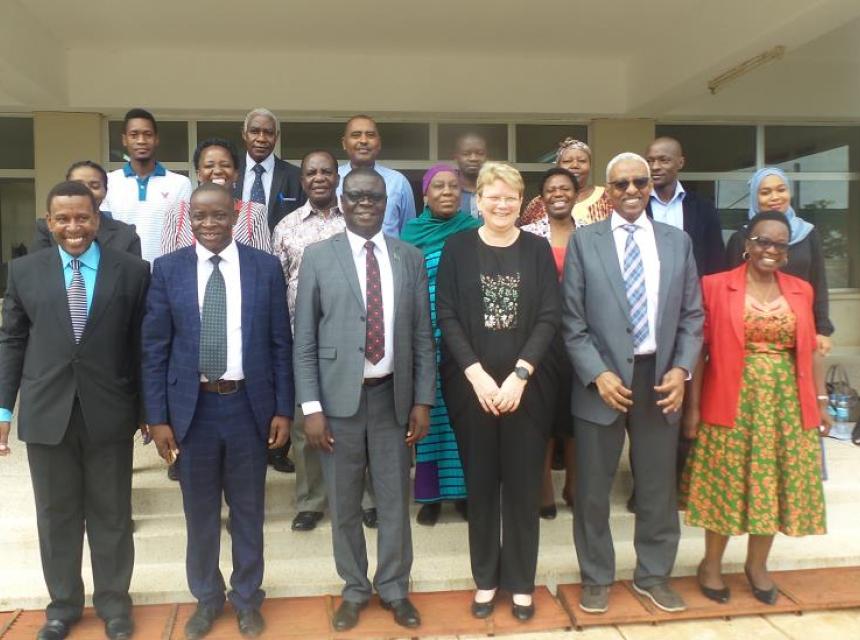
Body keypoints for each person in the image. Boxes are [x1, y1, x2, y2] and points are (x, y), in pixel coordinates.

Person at [142, 183, 293, 640]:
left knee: (248, 510)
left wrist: (283, 409)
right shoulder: (167, 270)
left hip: (248, 407)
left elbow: (279, 345)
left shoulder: (264, 268)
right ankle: (207, 598)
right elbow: (154, 348)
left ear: (235, 216)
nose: (210, 225)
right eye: (200, 217)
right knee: (200, 513)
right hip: (192, 412)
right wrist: (158, 418)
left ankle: (247, 598)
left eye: (219, 216)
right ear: (189, 220)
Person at [0, 181, 150, 640]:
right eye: (62, 219)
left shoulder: (132, 271)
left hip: (109, 411)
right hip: (48, 414)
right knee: (56, 515)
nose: (73, 227)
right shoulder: (24, 272)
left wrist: (148, 410)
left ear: (97, 219)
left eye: (82, 217)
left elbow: (141, 346)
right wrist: (3, 413)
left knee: (111, 514)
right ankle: (63, 606)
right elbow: (11, 341)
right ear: (49, 222)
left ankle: (114, 605)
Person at [293, 167, 435, 632]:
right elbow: (305, 340)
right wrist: (311, 407)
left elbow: (420, 335)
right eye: (355, 196)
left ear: (387, 201)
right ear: (342, 199)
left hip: (393, 399)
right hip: (338, 405)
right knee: (346, 503)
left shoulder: (408, 256)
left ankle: (394, 587)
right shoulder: (318, 256)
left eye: (374, 196)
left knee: (395, 502)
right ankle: (354, 588)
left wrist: (422, 400)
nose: (365, 204)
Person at [561, 152, 703, 615]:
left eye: (638, 182)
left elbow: (692, 316)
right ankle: (597, 576)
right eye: (620, 184)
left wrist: (682, 370)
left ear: (649, 186)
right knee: (593, 489)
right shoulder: (586, 242)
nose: (630, 191)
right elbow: (572, 319)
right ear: (608, 190)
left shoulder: (677, 241)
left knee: (659, 487)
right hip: (599, 379)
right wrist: (597, 373)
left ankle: (654, 574)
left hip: (659, 378)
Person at [682, 211, 830, 606]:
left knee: (773, 486)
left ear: (786, 251)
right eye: (763, 241)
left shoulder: (801, 290)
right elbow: (699, 351)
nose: (771, 250)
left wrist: (820, 401)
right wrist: (692, 409)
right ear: (747, 243)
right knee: (725, 485)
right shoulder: (714, 286)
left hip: (786, 406)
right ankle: (711, 565)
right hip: (730, 399)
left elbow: (810, 348)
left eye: (780, 244)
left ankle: (757, 566)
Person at [436, 162, 560, 622]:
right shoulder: (457, 248)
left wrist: (519, 375)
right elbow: (446, 314)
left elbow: (550, 314)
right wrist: (478, 376)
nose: (502, 204)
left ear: (521, 201)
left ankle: (521, 584)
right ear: (479, 200)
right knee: (483, 487)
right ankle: (486, 579)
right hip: (473, 391)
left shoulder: (537, 249)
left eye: (511, 197)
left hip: (528, 390)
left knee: (524, 489)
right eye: (494, 196)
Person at [401, 164, 481, 526]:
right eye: (439, 187)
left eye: (454, 186)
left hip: (468, 341)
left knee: (462, 419)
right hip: (425, 339)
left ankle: (464, 494)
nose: (447, 192)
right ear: (426, 194)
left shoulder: (475, 231)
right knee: (428, 418)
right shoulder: (411, 233)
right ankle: (430, 497)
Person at [271, 150, 346, 532]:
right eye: (311, 172)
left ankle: (363, 498)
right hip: (302, 340)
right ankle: (311, 501)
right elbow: (278, 284)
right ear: (302, 181)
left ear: (337, 177)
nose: (319, 177)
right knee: (305, 426)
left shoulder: (356, 222)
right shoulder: (286, 228)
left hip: (351, 341)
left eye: (326, 171)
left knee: (353, 421)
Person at [726, 167, 834, 355]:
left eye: (781, 190)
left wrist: (822, 330)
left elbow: (819, 283)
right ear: (754, 198)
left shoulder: (808, 234)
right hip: (752, 333)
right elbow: (728, 290)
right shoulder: (741, 238)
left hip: (800, 327)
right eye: (765, 192)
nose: (775, 197)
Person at [521, 167, 578, 520]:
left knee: (574, 413)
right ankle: (543, 485)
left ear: (575, 193)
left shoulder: (591, 235)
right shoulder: (527, 236)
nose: (558, 193)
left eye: (565, 188)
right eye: (551, 189)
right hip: (539, 337)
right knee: (541, 413)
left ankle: (574, 483)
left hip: (580, 336)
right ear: (541, 198)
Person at [102, 108, 192, 264]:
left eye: (147, 134)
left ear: (157, 139)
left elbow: (185, 236)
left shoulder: (180, 183)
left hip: (164, 274)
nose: (141, 140)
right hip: (122, 272)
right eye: (134, 135)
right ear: (124, 139)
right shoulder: (108, 182)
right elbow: (105, 234)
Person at [161, 138, 271, 254]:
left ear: (236, 174)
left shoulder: (255, 213)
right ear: (198, 174)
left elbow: (262, 265)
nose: (217, 171)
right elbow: (168, 267)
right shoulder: (176, 213)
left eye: (225, 165)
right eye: (209, 166)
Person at [645, 137, 725, 277]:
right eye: (650, 161)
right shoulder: (638, 206)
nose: (655, 167)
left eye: (664, 160)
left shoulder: (703, 208)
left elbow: (715, 258)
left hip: (692, 292)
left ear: (680, 163)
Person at [31, 161, 141, 257]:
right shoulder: (45, 229)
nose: (86, 191)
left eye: (94, 186)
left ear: (106, 191)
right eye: (78, 185)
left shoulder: (126, 234)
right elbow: (37, 271)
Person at [337, 115, 417, 236]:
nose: (363, 140)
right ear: (344, 143)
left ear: (379, 143)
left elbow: (409, 234)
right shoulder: (331, 180)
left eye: (370, 135)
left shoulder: (398, 182)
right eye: (356, 135)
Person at [234, 107, 306, 232]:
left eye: (268, 133)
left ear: (276, 136)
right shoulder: (230, 171)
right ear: (244, 134)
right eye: (254, 131)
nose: (261, 138)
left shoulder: (295, 176)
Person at [519, 138, 611, 227]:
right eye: (567, 161)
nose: (575, 165)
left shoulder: (608, 197)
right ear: (558, 166)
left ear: (590, 166)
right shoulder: (538, 204)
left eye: (582, 161)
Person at [453, 133, 488, 219]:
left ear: (486, 157)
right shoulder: (447, 192)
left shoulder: (497, 191)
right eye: (466, 153)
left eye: (480, 153)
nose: (473, 158)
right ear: (456, 157)